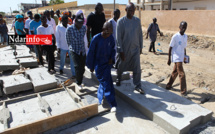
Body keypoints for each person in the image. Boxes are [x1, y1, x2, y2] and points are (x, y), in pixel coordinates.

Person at [86, 22, 117, 112]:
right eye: (107, 33)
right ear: (103, 30)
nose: (109, 35)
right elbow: (91, 53)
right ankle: (102, 97)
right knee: (105, 82)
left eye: (110, 33)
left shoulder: (110, 38)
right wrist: (91, 66)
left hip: (107, 64)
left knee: (107, 82)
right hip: (98, 65)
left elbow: (113, 50)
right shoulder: (96, 39)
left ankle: (112, 103)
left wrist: (112, 58)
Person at [116, 2, 144, 94]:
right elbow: (118, 37)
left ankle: (137, 85)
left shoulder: (137, 21)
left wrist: (140, 47)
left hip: (135, 49)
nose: (131, 12)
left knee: (137, 67)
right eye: (129, 10)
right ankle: (118, 78)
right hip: (124, 49)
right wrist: (121, 50)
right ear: (126, 10)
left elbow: (140, 34)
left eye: (133, 10)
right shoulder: (121, 22)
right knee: (121, 65)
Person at [166, 21, 188, 96]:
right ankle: (183, 90)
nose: (183, 29)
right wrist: (169, 58)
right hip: (176, 57)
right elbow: (170, 47)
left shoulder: (185, 36)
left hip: (181, 57)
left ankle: (168, 85)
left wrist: (185, 57)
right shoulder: (175, 36)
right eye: (182, 27)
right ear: (179, 27)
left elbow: (184, 47)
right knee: (181, 74)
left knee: (175, 72)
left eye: (185, 27)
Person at [66, 13, 86, 90]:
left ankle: (80, 79)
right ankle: (78, 83)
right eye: (79, 22)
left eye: (82, 23)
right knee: (77, 67)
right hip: (74, 50)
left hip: (82, 50)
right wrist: (70, 49)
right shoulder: (70, 29)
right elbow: (68, 40)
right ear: (75, 21)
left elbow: (83, 38)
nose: (80, 24)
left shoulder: (84, 28)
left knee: (82, 68)